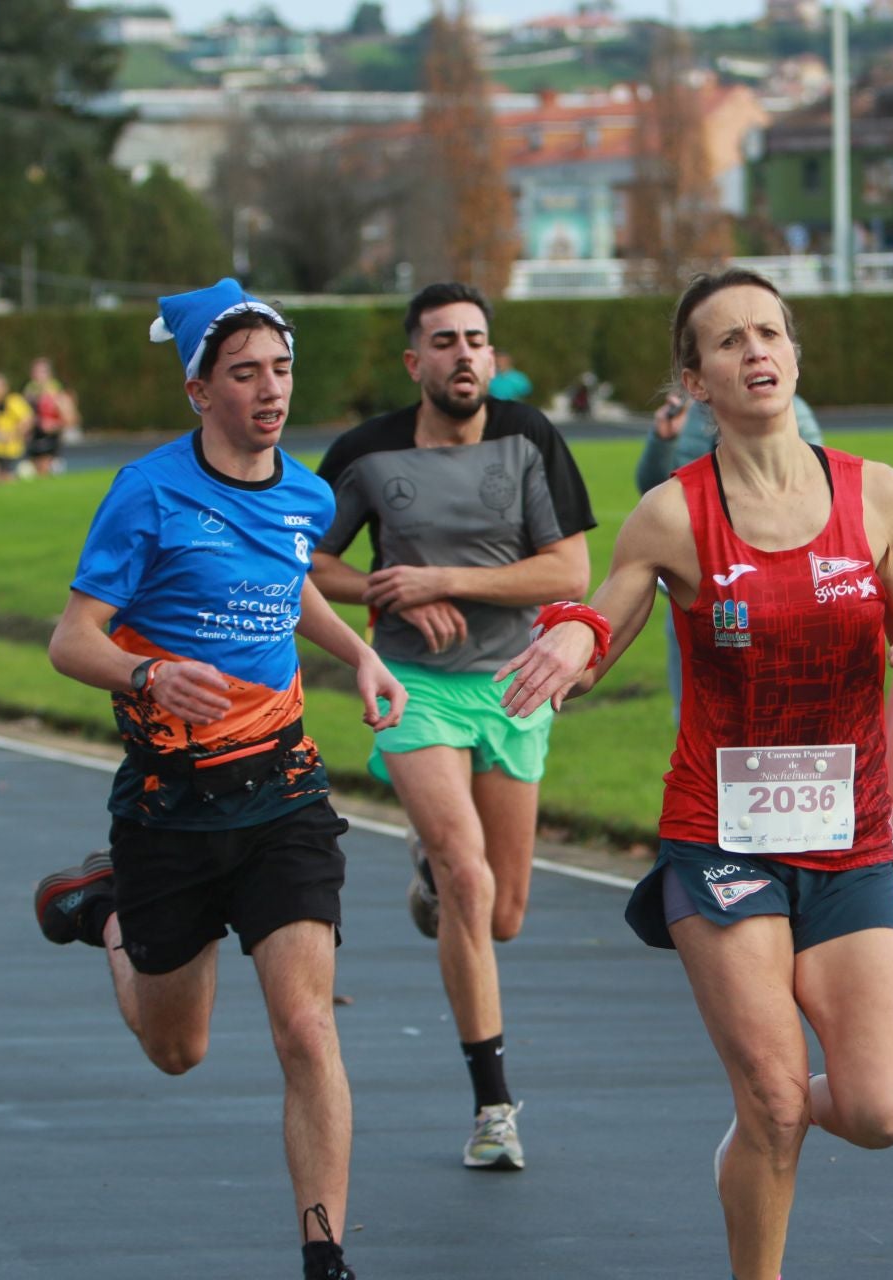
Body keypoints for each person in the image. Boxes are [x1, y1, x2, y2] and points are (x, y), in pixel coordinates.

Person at [497, 267, 893, 1280]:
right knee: (777, 1096)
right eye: (728, 341)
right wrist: (575, 646)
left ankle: (759, 1133)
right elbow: (607, 612)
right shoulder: (673, 513)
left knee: (882, 1109)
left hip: (850, 839)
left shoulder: (874, 489)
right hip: (722, 839)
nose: (756, 352)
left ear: (794, 355)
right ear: (695, 379)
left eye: (770, 333)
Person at [30, 279, 406, 1280]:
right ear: (200, 389)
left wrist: (358, 655)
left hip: (283, 786)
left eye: (281, 369)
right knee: (177, 1049)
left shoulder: (308, 494)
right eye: (245, 373)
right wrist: (148, 670)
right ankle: (110, 910)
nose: (270, 390)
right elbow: (72, 641)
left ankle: (324, 1253)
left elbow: (287, 585)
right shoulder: (146, 492)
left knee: (304, 1024)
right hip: (169, 803)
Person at [309, 281, 595, 1173]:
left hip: (512, 685)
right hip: (413, 687)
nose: (464, 355)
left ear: (493, 358)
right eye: (444, 341)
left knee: (501, 914)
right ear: (415, 362)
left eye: (477, 340)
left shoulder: (529, 437)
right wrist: (383, 589)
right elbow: (303, 563)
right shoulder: (365, 454)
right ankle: (494, 1106)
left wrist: (445, 582)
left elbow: (570, 570)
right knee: (471, 879)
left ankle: (432, 882)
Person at [637, 386, 823, 720]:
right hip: (693, 585)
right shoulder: (690, 413)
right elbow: (650, 490)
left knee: (779, 711)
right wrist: (662, 441)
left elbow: (815, 491)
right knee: (695, 714)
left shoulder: (790, 408)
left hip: (766, 588)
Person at [23, 355, 78, 477]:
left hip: (50, 442)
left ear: (49, 374)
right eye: (35, 371)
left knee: (44, 472)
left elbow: (72, 419)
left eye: (41, 372)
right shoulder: (29, 392)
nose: (37, 375)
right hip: (31, 443)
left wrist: (54, 425)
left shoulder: (56, 393)